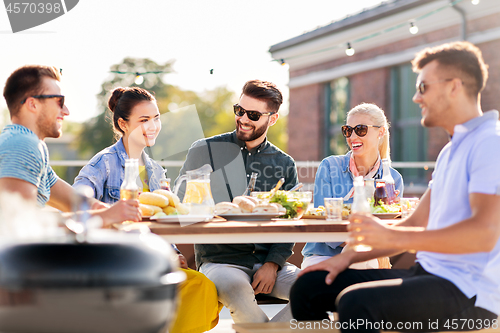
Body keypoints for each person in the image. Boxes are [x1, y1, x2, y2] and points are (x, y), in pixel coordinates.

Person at [290, 41, 500, 332]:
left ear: (453, 87)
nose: (415, 97)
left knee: (356, 305)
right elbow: (415, 223)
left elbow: (483, 235)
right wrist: (347, 258)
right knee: (308, 287)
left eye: (423, 87)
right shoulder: (451, 150)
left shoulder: (490, 143)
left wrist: (388, 234)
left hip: (470, 294)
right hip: (428, 274)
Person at [73, 87, 221, 333]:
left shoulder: (156, 170)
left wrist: (173, 251)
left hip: (151, 260)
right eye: (144, 120)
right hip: (115, 263)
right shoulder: (104, 163)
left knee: (202, 287)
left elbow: (163, 220)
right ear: (123, 123)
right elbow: (77, 199)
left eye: (156, 118)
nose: (153, 126)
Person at [176, 80, 300, 323]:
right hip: (219, 260)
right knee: (239, 292)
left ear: (272, 119)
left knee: (314, 291)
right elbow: (180, 202)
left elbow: (289, 223)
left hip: (268, 261)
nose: (243, 119)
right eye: (239, 110)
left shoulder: (285, 164)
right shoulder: (204, 150)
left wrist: (273, 264)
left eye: (253, 114)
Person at [0, 65, 140, 225]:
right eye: (60, 101)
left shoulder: (28, 143)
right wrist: (105, 217)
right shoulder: (22, 144)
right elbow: (19, 224)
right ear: (33, 104)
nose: (66, 111)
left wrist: (112, 210)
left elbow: (74, 202)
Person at [302, 103, 403, 269]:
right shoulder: (329, 166)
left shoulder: (393, 179)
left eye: (361, 129)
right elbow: (323, 225)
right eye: (348, 130)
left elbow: (389, 233)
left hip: (368, 257)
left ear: (381, 132)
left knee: (364, 258)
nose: (352, 136)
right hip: (323, 256)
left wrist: (388, 212)